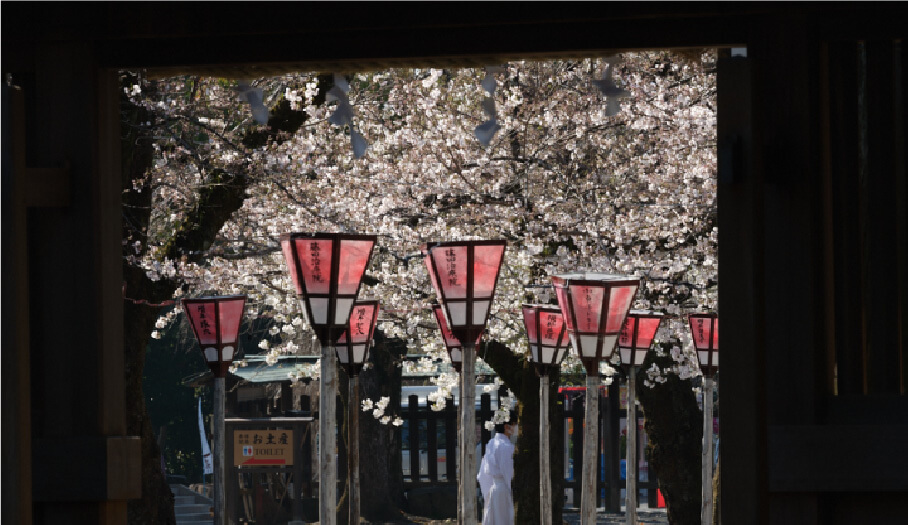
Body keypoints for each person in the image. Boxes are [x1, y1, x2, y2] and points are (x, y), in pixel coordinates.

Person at [477, 409, 518, 525]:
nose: (515, 428)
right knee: (504, 519)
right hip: (504, 489)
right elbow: (509, 473)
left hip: (495, 488)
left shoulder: (492, 443)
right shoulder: (505, 447)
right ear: (506, 427)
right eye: (514, 424)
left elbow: (483, 474)